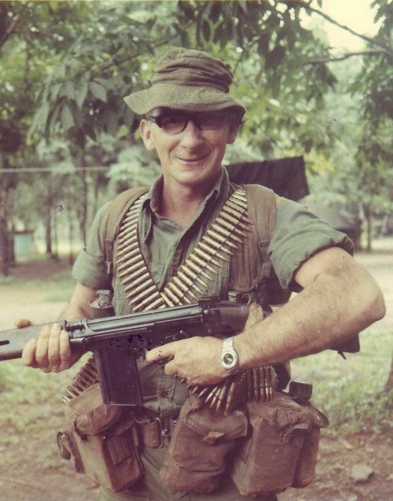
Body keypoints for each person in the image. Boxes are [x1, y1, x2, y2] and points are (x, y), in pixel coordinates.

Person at [22, 48, 386, 501]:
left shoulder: (266, 216)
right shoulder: (114, 217)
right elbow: (81, 306)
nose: (190, 140)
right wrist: (59, 338)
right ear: (147, 133)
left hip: (227, 467)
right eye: (172, 120)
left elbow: (357, 295)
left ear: (232, 130)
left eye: (207, 120)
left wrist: (230, 354)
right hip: (128, 466)